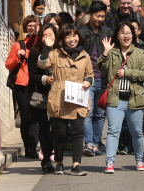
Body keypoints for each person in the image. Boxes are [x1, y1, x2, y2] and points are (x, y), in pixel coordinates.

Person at [38, 24, 93, 176]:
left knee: (77, 132)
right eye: (68, 36)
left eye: (74, 36)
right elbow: (42, 63)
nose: (72, 39)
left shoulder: (84, 55)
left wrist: (88, 81)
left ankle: (76, 164)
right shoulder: (55, 54)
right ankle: (59, 162)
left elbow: (90, 74)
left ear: (78, 37)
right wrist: (47, 48)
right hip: (59, 99)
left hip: (78, 98)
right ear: (62, 39)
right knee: (59, 133)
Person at [99, 22, 144, 173]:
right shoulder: (113, 53)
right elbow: (100, 67)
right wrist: (105, 53)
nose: (126, 36)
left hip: (135, 99)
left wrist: (127, 73)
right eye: (122, 33)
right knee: (113, 131)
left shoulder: (141, 53)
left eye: (128, 33)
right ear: (117, 36)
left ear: (134, 35)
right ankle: (109, 163)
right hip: (115, 99)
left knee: (137, 132)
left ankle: (140, 161)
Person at [78, 1, 113, 157]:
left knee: (100, 114)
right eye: (97, 16)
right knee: (88, 112)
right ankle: (89, 144)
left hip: (104, 78)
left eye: (103, 16)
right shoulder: (81, 32)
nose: (100, 19)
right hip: (87, 79)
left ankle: (96, 143)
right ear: (90, 15)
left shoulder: (108, 32)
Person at [6, 15, 39, 158]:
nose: (32, 28)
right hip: (21, 84)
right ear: (25, 27)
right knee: (26, 117)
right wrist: (18, 56)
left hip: (37, 84)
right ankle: (29, 147)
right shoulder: (18, 44)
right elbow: (8, 64)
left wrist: (27, 53)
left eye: (34, 25)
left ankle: (34, 146)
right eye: (29, 25)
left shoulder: (41, 43)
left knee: (35, 117)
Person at [27, 22, 56, 172]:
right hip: (43, 97)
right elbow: (32, 76)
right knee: (44, 128)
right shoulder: (34, 52)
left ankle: (55, 155)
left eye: (50, 34)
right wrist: (45, 80)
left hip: (59, 95)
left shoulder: (61, 51)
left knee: (57, 129)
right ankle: (46, 160)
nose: (48, 38)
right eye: (44, 35)